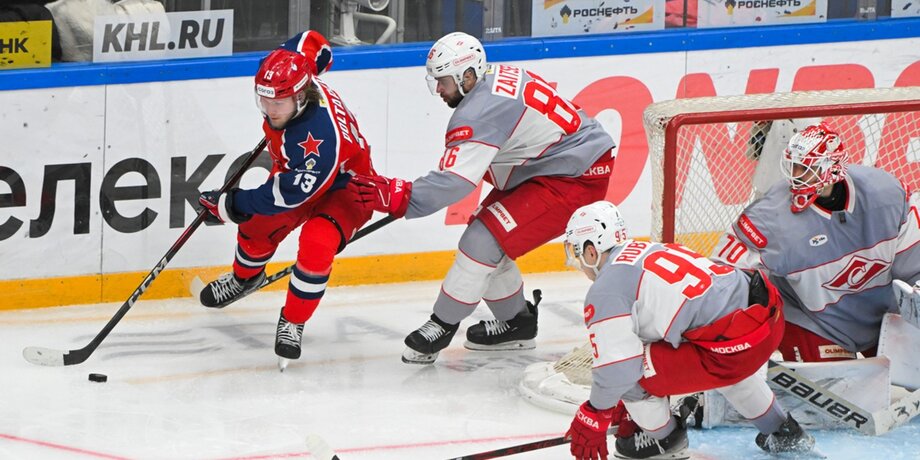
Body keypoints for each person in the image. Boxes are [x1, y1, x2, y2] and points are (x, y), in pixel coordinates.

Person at [347, 31, 616, 364]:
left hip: (574, 176)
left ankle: (442, 324)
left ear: (468, 75)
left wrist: (400, 196)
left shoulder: (479, 112)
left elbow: (455, 181)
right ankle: (516, 323)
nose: (439, 89)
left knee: (481, 241)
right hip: (554, 165)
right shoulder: (492, 81)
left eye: (444, 81)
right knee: (487, 243)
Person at [561, 201, 814, 460]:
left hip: (733, 345)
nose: (577, 261)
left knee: (633, 374)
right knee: (722, 359)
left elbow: (619, 368)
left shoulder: (606, 288)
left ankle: (665, 440)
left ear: (591, 251)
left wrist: (596, 411)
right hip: (767, 316)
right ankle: (784, 431)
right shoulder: (651, 249)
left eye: (576, 251)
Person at [196, 31, 375, 367]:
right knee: (258, 225)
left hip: (348, 188)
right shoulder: (295, 74)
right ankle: (245, 278)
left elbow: (287, 195)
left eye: (277, 103)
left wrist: (229, 206)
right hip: (299, 170)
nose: (269, 110)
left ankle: (293, 321)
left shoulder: (322, 136)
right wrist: (314, 59)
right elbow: (311, 41)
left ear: (301, 98)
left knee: (317, 244)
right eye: (263, 101)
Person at [710, 121, 920, 363]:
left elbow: (913, 264)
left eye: (805, 168)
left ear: (832, 169)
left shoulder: (885, 194)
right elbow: (722, 275)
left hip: (883, 315)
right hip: (815, 322)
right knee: (837, 386)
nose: (795, 176)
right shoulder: (770, 217)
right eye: (794, 166)